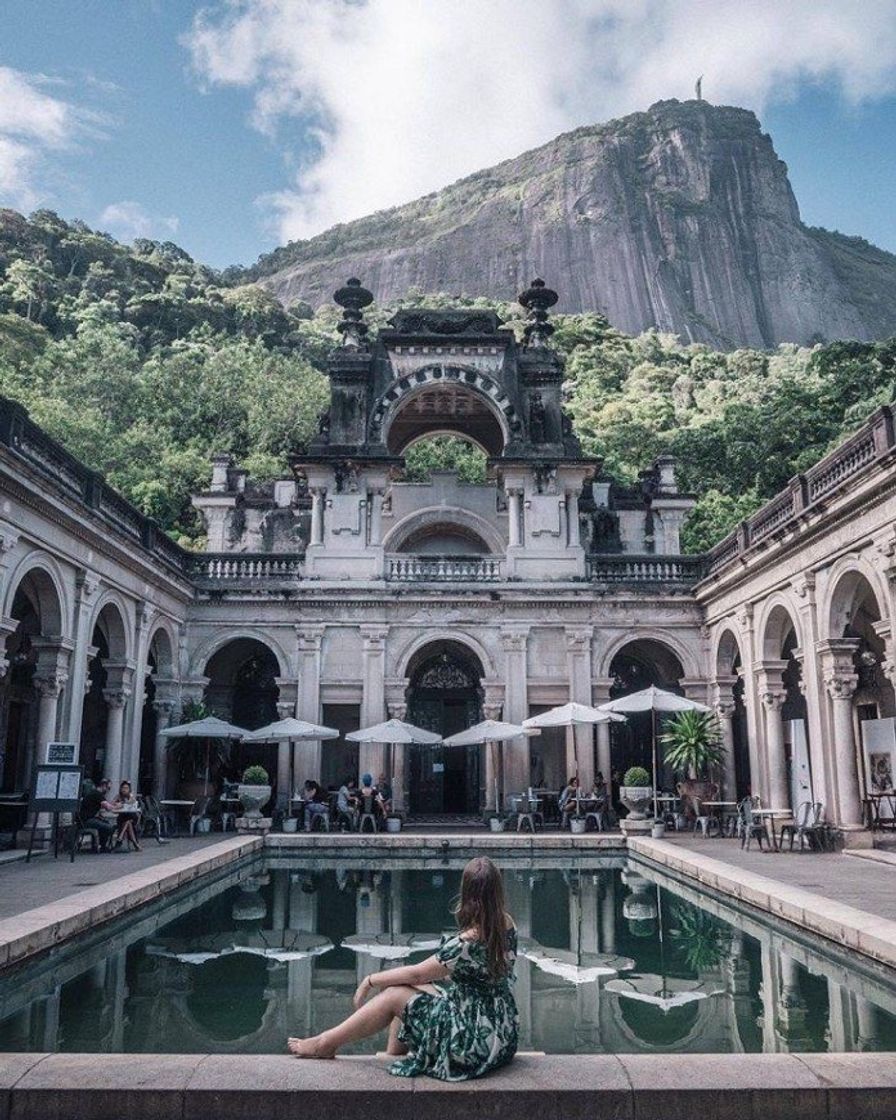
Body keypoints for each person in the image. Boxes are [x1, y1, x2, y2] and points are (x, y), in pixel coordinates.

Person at [288, 855, 518, 1081]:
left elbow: (418, 971)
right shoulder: (507, 925)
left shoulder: (466, 942)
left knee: (395, 994)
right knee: (410, 987)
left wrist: (370, 980)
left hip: (470, 1043)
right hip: (502, 1035)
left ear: (467, 893)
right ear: (497, 892)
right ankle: (392, 1054)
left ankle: (325, 1043)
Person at [79, 778, 116, 852]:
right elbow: (108, 808)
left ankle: (101, 846)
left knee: (105, 823)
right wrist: (118, 806)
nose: (108, 791)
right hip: (86, 820)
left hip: (84, 819)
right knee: (108, 827)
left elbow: (103, 806)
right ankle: (102, 847)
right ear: (104, 786)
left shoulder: (94, 793)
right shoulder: (97, 794)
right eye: (108, 788)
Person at [112, 780, 142, 851]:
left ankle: (120, 838)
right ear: (121, 789)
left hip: (132, 816)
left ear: (129, 789)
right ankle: (135, 844)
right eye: (123, 788)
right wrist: (117, 804)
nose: (125, 790)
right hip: (122, 817)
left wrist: (122, 803)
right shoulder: (118, 796)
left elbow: (132, 802)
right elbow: (112, 804)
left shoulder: (131, 796)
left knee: (129, 821)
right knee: (128, 823)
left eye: (126, 788)